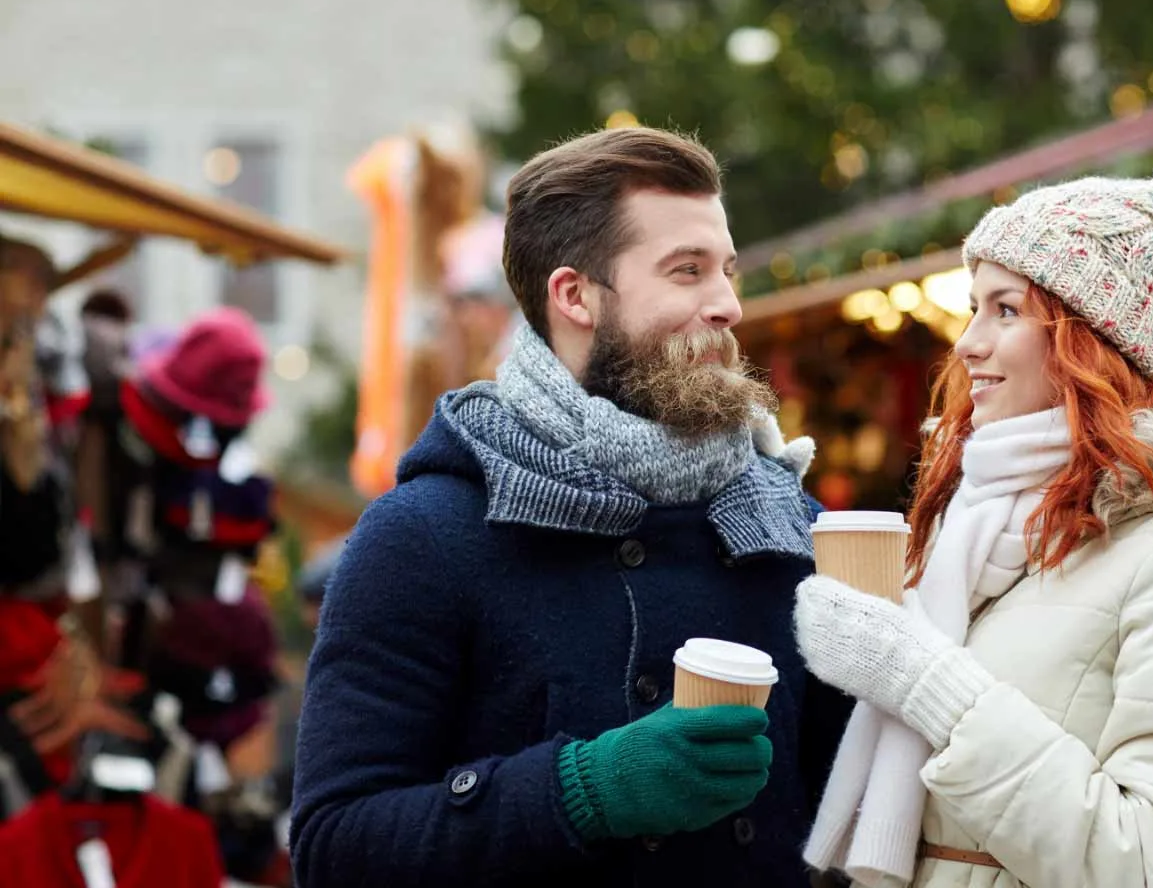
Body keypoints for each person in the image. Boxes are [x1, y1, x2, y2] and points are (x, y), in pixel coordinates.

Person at [290, 127, 850, 888]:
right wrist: (587, 789)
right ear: (574, 295)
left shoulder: (789, 521)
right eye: (686, 272)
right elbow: (334, 848)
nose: (726, 305)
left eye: (726, 271)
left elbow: (852, 816)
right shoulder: (425, 533)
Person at [792, 147, 1153, 888]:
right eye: (973, 307)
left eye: (1005, 309)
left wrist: (926, 681)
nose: (969, 343)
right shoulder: (977, 526)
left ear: (1097, 341)